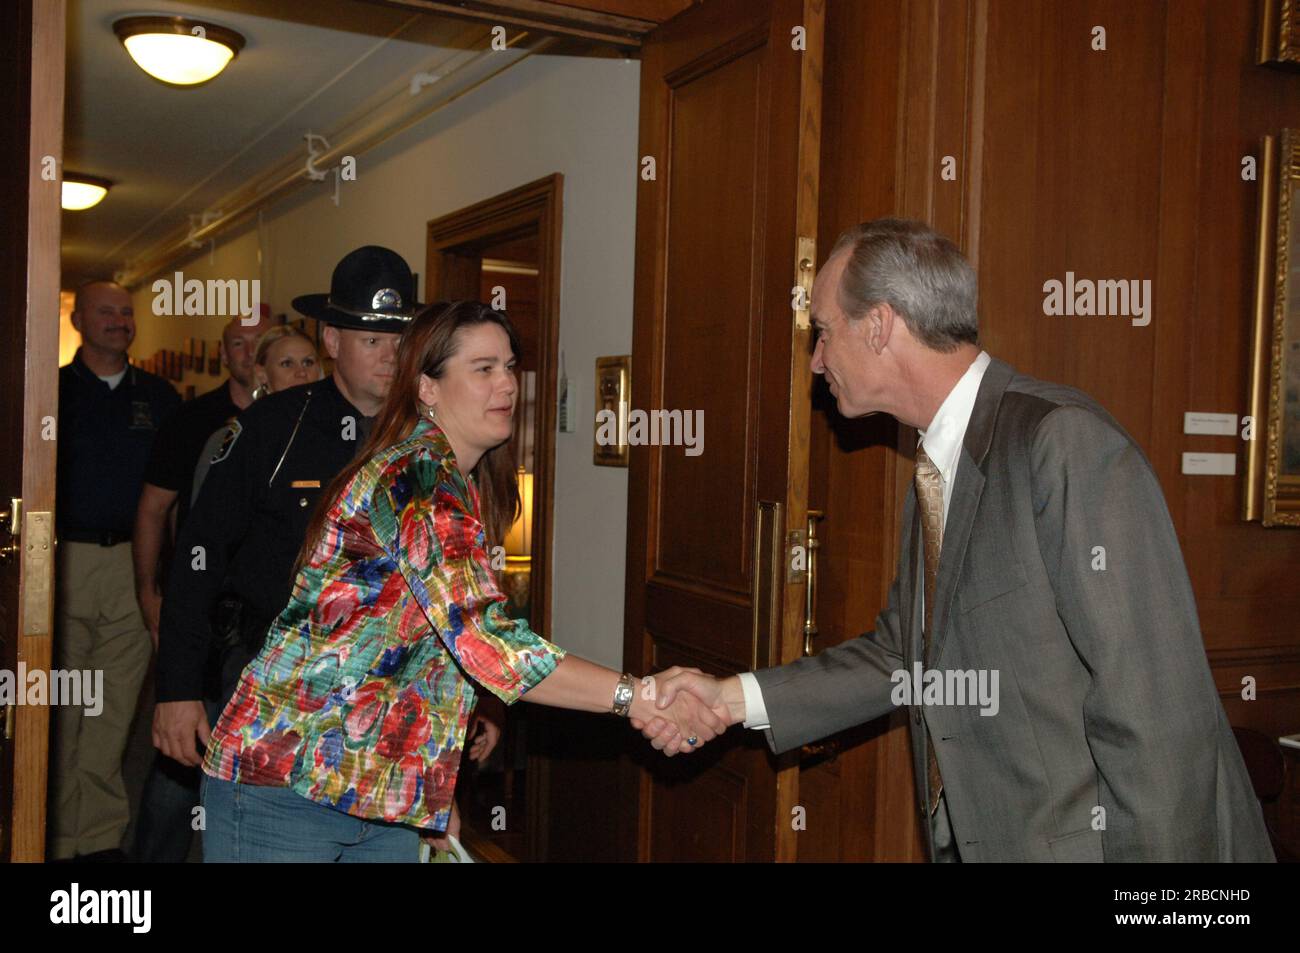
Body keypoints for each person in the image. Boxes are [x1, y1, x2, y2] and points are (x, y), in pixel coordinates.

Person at [643, 218, 1275, 862]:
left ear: (880, 325)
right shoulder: (939, 463)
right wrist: (731, 700)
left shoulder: (1062, 444)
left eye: (824, 332)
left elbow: (1156, 714)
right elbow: (902, 659)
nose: (818, 360)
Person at [200, 301, 723, 862]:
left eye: (509, 366)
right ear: (426, 386)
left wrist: (434, 786)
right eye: (483, 368)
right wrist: (636, 696)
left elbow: (431, 647)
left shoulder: (457, 483)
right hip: (287, 784)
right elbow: (482, 640)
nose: (506, 384)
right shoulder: (416, 476)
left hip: (383, 797)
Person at [152, 247, 506, 845]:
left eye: (401, 337)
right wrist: (178, 689)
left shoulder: (436, 442)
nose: (391, 353)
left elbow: (454, 594)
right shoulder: (275, 430)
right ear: (331, 340)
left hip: (384, 716)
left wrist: (481, 706)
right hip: (273, 691)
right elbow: (199, 557)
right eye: (372, 337)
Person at [129, 310, 271, 863]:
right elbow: (155, 511)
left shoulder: (327, 432)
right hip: (209, 618)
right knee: (181, 759)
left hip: (276, 636)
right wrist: (150, 596)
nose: (250, 355)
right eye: (241, 345)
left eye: (300, 360)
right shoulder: (202, 426)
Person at [52, 280, 180, 861]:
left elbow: (175, 498)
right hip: (61, 564)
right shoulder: (51, 390)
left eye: (126, 313)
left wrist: (162, 584)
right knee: (61, 710)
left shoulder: (160, 397)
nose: (119, 321)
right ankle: (50, 831)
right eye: (105, 311)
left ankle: (98, 841)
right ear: (78, 320)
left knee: (112, 708)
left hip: (134, 565)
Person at [189, 324, 322, 503]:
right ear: (262, 375)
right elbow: (208, 520)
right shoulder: (236, 439)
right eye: (286, 363)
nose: (301, 373)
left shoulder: (338, 432)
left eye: (308, 362)